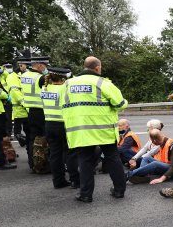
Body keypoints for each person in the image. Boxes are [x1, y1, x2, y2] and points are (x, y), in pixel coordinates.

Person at [63, 56, 128, 202]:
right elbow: (120, 104)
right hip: (103, 129)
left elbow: (63, 104)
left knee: (85, 161)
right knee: (112, 158)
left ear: (84, 66)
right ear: (97, 68)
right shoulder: (102, 82)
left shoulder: (68, 84)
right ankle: (119, 190)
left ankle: (85, 194)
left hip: (81, 131)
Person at [42, 66, 79, 189]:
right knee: (70, 153)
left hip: (49, 124)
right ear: (63, 78)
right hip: (64, 124)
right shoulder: (64, 89)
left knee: (55, 154)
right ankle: (75, 180)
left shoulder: (45, 88)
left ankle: (58, 181)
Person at [20, 55, 49, 171]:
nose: (45, 68)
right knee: (45, 139)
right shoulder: (41, 78)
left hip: (30, 111)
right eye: (45, 66)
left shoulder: (24, 75)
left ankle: (33, 164)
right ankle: (44, 164)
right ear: (40, 65)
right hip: (41, 111)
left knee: (32, 139)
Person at [6, 56, 30, 147]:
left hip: (27, 106)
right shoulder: (12, 76)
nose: (26, 67)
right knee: (18, 128)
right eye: (25, 65)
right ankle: (22, 140)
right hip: (20, 106)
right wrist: (23, 102)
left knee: (27, 128)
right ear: (20, 65)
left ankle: (25, 141)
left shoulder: (27, 74)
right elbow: (15, 91)